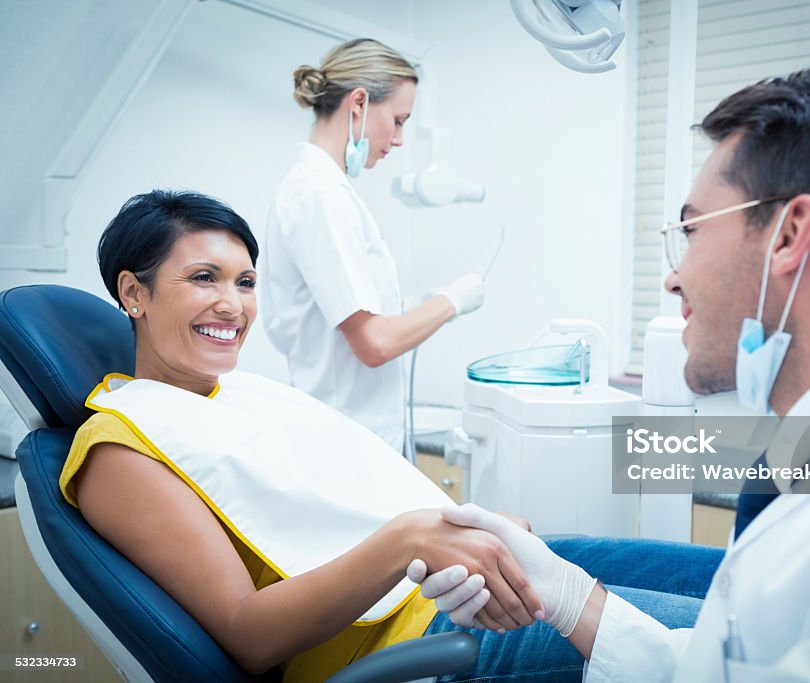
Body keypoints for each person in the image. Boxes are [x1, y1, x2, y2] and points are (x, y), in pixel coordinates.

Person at [412, 64, 810, 681]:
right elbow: (721, 667)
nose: (672, 276)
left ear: (789, 235)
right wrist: (565, 594)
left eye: (692, 230)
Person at [63, 189, 726, 682]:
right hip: (414, 640)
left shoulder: (237, 392)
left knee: (730, 583)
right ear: (134, 293)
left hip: (450, 576)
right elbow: (246, 632)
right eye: (203, 278)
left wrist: (460, 524)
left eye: (245, 282)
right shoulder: (120, 446)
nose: (234, 305)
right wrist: (408, 537)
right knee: (726, 645)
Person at [263, 38, 485, 453]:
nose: (399, 139)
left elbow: (351, 317)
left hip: (352, 432)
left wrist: (419, 305)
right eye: (398, 120)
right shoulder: (320, 196)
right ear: (359, 102)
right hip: (345, 439)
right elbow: (374, 343)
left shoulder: (324, 191)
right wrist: (451, 301)